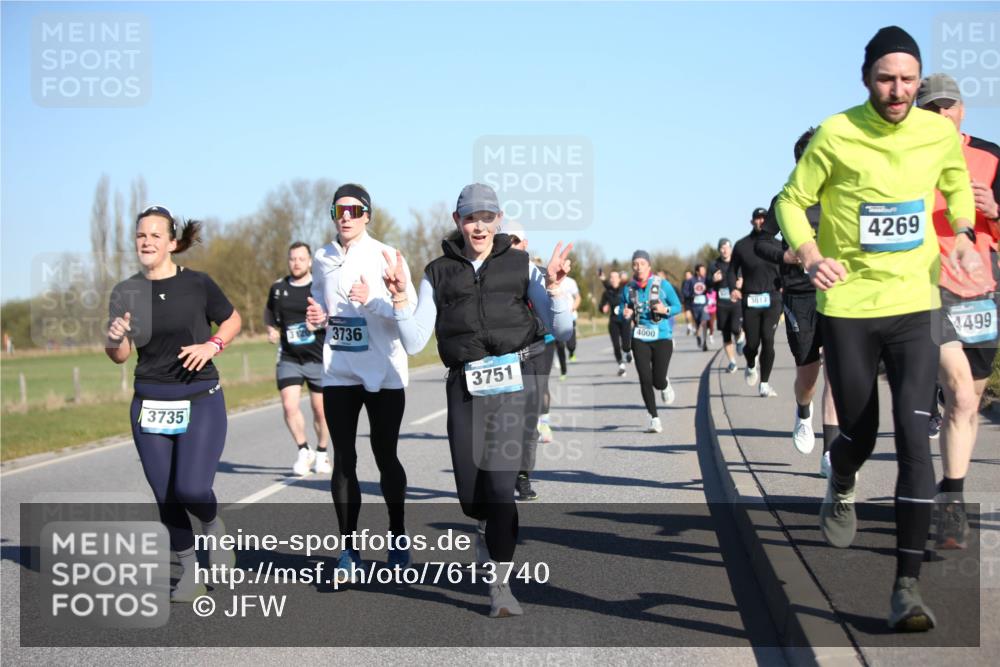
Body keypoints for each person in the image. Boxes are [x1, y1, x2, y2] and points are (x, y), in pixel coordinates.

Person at [775, 26, 983, 631]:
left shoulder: (935, 133)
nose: (898, 91)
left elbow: (954, 184)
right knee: (861, 432)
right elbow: (790, 201)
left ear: (919, 81)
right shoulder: (836, 133)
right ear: (866, 78)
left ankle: (907, 588)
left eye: (908, 80)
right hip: (849, 305)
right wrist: (811, 254)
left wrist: (963, 233)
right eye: (886, 79)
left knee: (915, 439)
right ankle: (842, 477)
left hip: (915, 303)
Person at [388, 183, 573, 617]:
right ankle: (483, 526)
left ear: (498, 220)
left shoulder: (522, 265)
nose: (479, 226)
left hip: (513, 385)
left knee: (501, 489)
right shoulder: (437, 272)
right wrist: (399, 298)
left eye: (487, 218)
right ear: (458, 221)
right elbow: (414, 342)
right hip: (464, 387)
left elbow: (560, 329)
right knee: (473, 499)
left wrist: (555, 290)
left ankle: (501, 587)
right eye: (471, 217)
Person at [106, 204, 242, 602]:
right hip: (149, 403)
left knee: (192, 488)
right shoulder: (125, 292)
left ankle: (213, 525)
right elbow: (119, 355)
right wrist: (115, 337)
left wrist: (212, 345)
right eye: (140, 235)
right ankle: (189, 570)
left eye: (155, 235)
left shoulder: (198, 283)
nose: (146, 241)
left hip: (200, 398)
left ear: (171, 242)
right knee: (165, 494)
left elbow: (232, 320)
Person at [305, 183, 417, 578]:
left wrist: (373, 299)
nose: (346, 217)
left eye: (353, 210)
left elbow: (407, 312)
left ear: (367, 215)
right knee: (344, 459)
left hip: (384, 372)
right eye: (338, 211)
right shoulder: (322, 257)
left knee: (385, 455)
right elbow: (320, 303)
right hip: (339, 371)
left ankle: (398, 536)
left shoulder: (387, 254)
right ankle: (349, 550)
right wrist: (317, 317)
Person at [916, 73, 1000, 549]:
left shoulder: (990, 156)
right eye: (931, 108)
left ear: (962, 109)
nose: (941, 114)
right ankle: (952, 506)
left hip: (983, 292)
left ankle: (950, 491)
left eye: (948, 106)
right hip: (932, 288)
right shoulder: (908, 158)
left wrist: (996, 210)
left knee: (969, 405)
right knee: (962, 397)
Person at [756, 129, 841, 477]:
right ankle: (803, 412)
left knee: (836, 373)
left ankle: (831, 453)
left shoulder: (841, 193)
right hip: (800, 294)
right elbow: (761, 243)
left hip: (837, 291)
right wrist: (787, 256)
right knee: (808, 375)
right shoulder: (785, 199)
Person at [265, 242, 331, 476]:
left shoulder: (319, 287)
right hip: (289, 357)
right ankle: (304, 450)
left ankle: (322, 452)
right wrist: (271, 329)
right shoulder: (278, 288)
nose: (296, 263)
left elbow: (332, 315)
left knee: (320, 410)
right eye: (293, 258)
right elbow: (269, 313)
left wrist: (319, 324)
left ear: (310, 261)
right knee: (289, 405)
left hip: (318, 357)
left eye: (301, 259)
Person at [500, 219, 549, 501]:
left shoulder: (538, 274)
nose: (511, 246)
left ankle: (523, 475)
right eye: (505, 240)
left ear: (525, 244)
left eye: (516, 241)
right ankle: (498, 477)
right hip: (500, 360)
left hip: (533, 355)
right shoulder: (489, 273)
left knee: (529, 421)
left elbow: (553, 317)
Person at [622, 250, 682, 433]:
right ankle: (654, 418)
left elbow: (678, 306)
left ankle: (665, 384)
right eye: (635, 264)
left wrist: (665, 310)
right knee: (645, 378)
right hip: (640, 337)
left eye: (642, 263)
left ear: (649, 266)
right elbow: (623, 308)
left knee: (657, 380)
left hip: (662, 337)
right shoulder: (628, 289)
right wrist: (625, 312)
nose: (638, 267)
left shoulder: (662, 284)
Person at [730, 207, 782, 397]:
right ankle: (751, 363)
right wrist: (734, 288)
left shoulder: (778, 245)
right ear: (752, 222)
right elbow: (731, 270)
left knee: (768, 339)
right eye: (757, 219)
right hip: (750, 299)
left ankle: (765, 384)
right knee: (752, 344)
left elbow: (787, 268)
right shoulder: (742, 245)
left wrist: (785, 285)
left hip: (773, 299)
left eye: (764, 218)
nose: (761, 221)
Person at [709, 238, 743, 373]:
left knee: (735, 328)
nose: (725, 250)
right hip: (722, 304)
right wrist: (713, 280)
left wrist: (742, 283)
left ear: (731, 249)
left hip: (736, 302)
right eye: (722, 248)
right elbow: (707, 284)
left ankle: (740, 338)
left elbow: (746, 277)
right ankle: (732, 362)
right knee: (726, 334)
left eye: (727, 247)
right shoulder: (714, 265)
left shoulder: (737, 263)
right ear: (719, 250)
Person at [599, 267, 632, 376]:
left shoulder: (625, 290)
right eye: (611, 278)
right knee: (616, 345)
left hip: (625, 320)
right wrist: (603, 308)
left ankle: (628, 352)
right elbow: (601, 306)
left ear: (619, 279)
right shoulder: (607, 293)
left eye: (615, 277)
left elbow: (632, 303)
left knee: (626, 345)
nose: (613, 279)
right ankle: (621, 366)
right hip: (613, 321)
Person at [554, 258, 581, 378]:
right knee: (559, 345)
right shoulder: (552, 280)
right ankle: (563, 371)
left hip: (570, 316)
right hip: (557, 318)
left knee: (571, 344)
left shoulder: (571, 282)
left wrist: (573, 307)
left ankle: (571, 351)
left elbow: (578, 297)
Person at [690, 264, 711, 351]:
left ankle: (705, 342)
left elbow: (710, 290)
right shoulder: (691, 281)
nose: (704, 272)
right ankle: (698, 336)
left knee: (704, 322)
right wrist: (692, 295)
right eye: (702, 270)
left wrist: (707, 289)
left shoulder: (706, 280)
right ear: (697, 272)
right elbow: (686, 292)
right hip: (695, 306)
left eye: (704, 270)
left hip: (704, 305)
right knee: (698, 324)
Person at [681, 269, 696, 335]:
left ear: (692, 275)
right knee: (687, 314)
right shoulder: (684, 282)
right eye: (686, 275)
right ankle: (689, 327)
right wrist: (682, 300)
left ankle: (695, 328)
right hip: (687, 300)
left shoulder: (695, 281)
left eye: (688, 275)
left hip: (694, 300)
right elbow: (682, 291)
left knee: (694, 315)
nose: (687, 276)